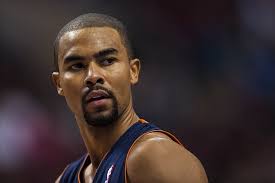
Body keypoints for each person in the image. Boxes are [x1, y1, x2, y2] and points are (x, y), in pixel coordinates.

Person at [52, 13, 208, 183]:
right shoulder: (67, 178)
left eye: (107, 61)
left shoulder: (156, 157)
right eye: (77, 66)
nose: (93, 76)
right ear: (59, 83)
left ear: (133, 71)